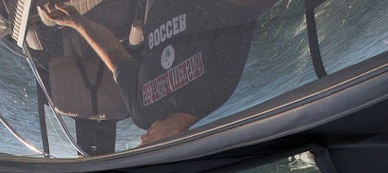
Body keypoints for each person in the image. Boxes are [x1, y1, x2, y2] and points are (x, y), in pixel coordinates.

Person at [39, 0, 270, 146]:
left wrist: (77, 22)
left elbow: (116, 57)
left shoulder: (143, 113)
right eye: (148, 145)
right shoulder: (215, 89)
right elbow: (244, 11)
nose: (142, 139)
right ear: (173, 143)